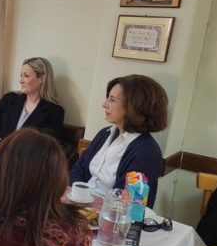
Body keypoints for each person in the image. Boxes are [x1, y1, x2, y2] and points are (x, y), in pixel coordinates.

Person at [70, 74, 168, 208]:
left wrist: (85, 204)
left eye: (112, 100)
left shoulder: (147, 152)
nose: (104, 104)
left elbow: (125, 201)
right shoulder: (104, 133)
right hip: (81, 202)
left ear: (133, 106)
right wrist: (78, 196)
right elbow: (78, 169)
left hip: (108, 213)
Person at [0, 57, 64, 158]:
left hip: (25, 163)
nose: (21, 81)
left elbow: (46, 149)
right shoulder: (9, 99)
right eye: (21, 75)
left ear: (42, 78)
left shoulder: (55, 111)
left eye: (26, 76)